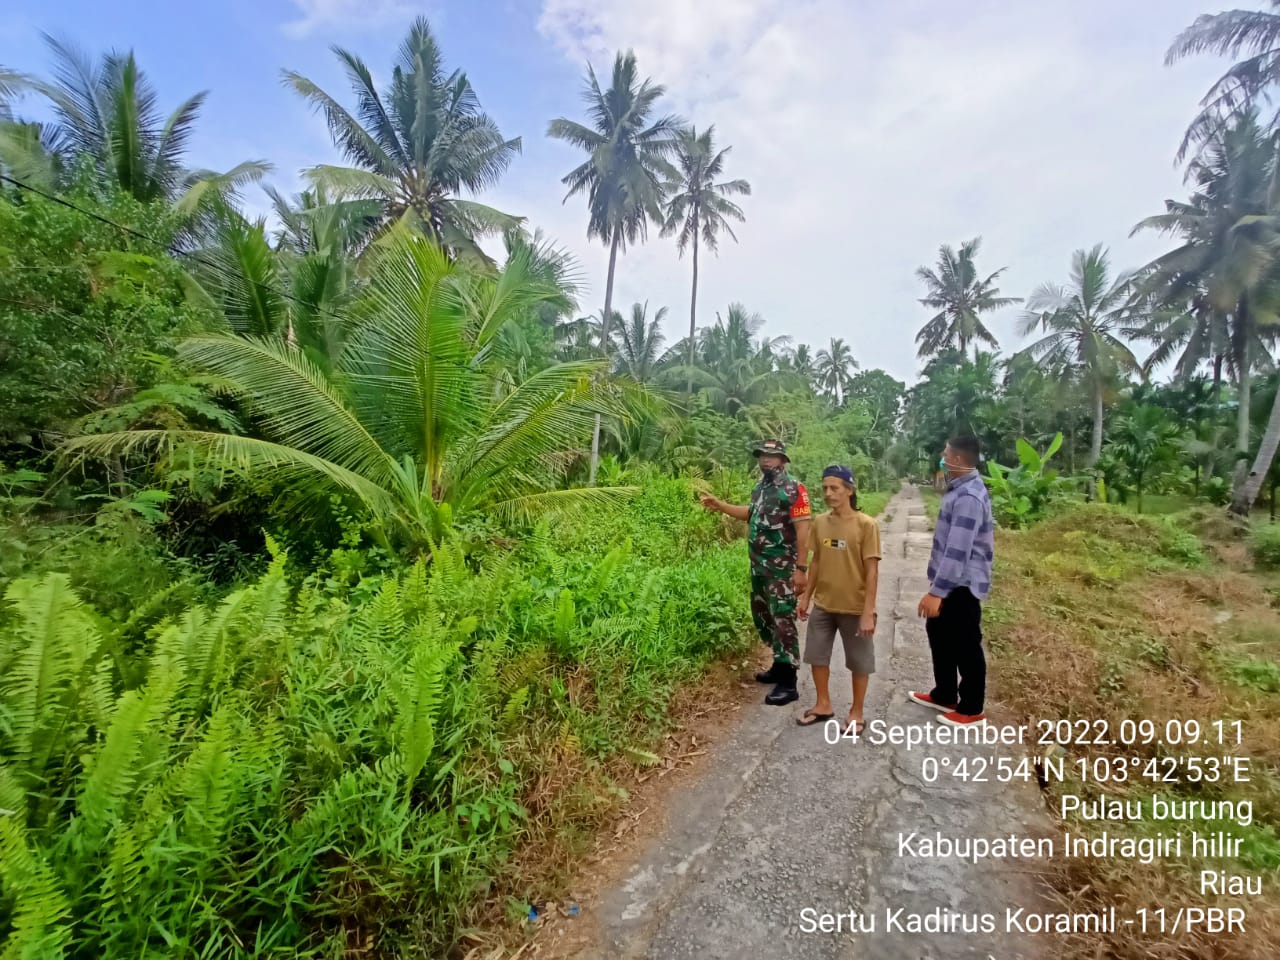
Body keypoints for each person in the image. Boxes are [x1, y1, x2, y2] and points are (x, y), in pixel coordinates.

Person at [700, 439, 812, 706]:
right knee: (766, 617)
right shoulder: (760, 488)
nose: (766, 460)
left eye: (772, 456)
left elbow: (804, 530)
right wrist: (721, 506)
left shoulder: (794, 489)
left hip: (782, 569)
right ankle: (779, 665)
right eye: (762, 455)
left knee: (783, 620)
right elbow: (751, 514)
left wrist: (801, 569)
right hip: (760, 568)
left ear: (783, 460)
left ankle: (789, 683)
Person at [909, 436, 994, 726]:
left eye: (945, 455)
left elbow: (958, 551)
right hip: (952, 583)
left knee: (966, 644)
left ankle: (971, 708)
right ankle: (945, 694)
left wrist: (937, 592)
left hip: (962, 585)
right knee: (939, 633)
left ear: (957, 460)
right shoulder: (959, 489)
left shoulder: (968, 497)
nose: (942, 459)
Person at [796, 465, 880, 734]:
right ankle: (823, 705)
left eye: (834, 488)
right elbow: (817, 561)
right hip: (824, 604)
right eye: (825, 488)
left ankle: (856, 712)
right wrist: (806, 597)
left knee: (859, 661)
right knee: (817, 656)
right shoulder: (820, 522)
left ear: (849, 490)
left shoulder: (866, 525)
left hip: (854, 607)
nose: (828, 493)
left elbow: (872, 570)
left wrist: (868, 611)